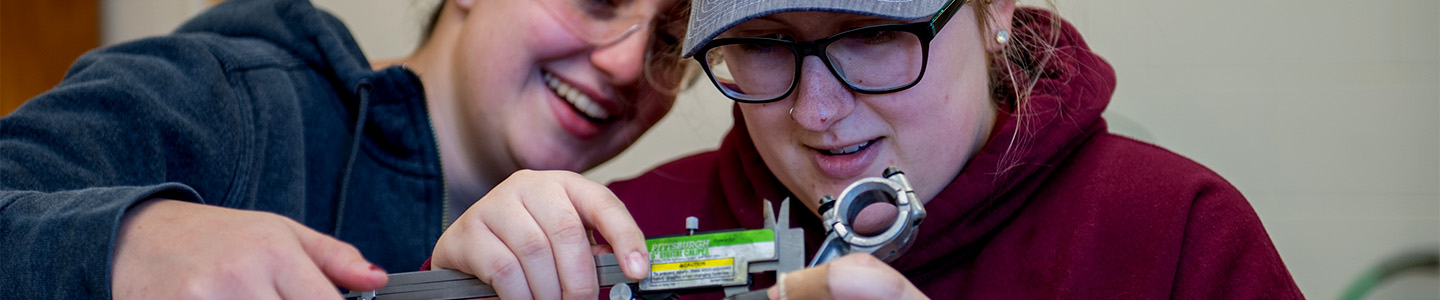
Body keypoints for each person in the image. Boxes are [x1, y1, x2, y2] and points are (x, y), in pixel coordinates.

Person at [597, 0, 1306, 298]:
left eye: (873, 33)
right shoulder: (622, 236)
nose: (816, 111)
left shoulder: (1178, 237)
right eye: (760, 43)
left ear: (993, 10)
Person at [0, 0, 690, 298]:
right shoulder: (225, 101)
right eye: (599, 0)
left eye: (668, 41)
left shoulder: (586, 262)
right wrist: (128, 245)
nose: (628, 64)